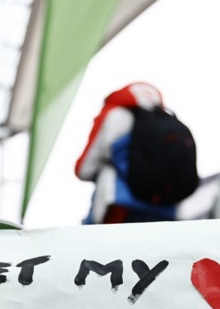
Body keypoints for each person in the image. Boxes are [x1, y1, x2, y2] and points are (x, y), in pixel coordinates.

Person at [75, 82, 197, 224]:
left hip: (119, 208)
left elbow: (84, 170)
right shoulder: (168, 120)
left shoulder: (115, 114)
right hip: (167, 211)